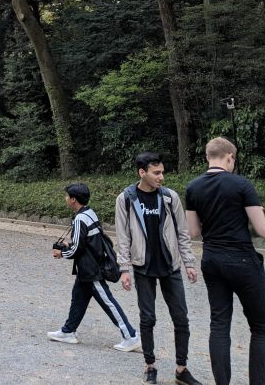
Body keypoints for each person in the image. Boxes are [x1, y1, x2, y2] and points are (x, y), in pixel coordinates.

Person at [186, 137, 265, 384]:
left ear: (208, 157)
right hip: (242, 260)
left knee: (219, 324)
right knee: (262, 327)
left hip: (212, 259)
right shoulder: (241, 184)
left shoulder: (193, 187)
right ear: (229, 156)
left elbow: (193, 232)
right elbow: (262, 230)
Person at [115, 152, 201, 384]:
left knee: (181, 318)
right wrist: (124, 268)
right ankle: (150, 365)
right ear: (142, 173)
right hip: (143, 267)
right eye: (156, 173)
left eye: (162, 172)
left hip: (170, 266)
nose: (161, 177)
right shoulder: (126, 199)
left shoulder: (170, 197)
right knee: (148, 318)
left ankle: (181, 370)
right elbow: (123, 237)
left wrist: (189, 263)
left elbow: (183, 234)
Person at [49, 182, 137, 348]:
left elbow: (77, 248)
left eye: (67, 196)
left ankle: (131, 336)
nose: (65, 198)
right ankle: (68, 331)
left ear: (73, 199)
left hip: (91, 270)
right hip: (88, 268)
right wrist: (71, 245)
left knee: (108, 302)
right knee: (78, 299)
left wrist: (62, 253)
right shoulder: (89, 213)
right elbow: (88, 242)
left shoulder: (80, 218)